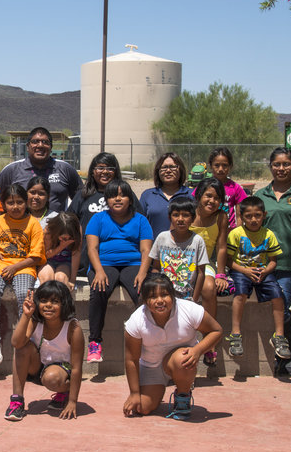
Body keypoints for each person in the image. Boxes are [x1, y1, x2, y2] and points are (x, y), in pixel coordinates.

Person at [122, 274, 223, 420]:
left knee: (183, 359)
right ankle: (156, 390)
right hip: (151, 367)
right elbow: (131, 359)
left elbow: (217, 330)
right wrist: (134, 393)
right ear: (144, 301)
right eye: (153, 297)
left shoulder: (189, 310)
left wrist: (198, 350)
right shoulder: (136, 321)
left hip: (180, 362)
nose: (160, 301)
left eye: (164, 295)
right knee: (141, 408)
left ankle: (183, 397)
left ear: (173, 296)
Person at [257, 147, 291, 375]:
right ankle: (288, 355)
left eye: (286, 164)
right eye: (277, 164)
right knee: (274, 308)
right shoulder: (261, 195)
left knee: (280, 306)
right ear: (271, 166)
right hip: (266, 265)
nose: (281, 168)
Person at [85, 179, 154, 363]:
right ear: (106, 200)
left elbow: (146, 250)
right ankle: (94, 342)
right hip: (105, 264)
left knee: (143, 292)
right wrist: (99, 271)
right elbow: (92, 249)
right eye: (112, 195)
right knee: (98, 290)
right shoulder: (98, 218)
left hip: (133, 264)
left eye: (122, 195)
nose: (117, 198)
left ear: (130, 199)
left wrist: (142, 273)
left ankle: (148, 340)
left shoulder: (140, 220)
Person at [0, 183, 46, 367]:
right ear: (4, 204)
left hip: (24, 266)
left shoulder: (33, 223)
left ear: (26, 203)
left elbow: (36, 256)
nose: (15, 207)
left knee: (23, 295)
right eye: (11, 203)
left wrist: (15, 267)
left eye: (19, 202)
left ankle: (24, 339)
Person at [4, 283, 85, 421]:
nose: (48, 305)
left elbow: (77, 368)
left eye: (55, 302)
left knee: (51, 377)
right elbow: (16, 343)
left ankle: (63, 392)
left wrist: (72, 401)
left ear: (64, 304)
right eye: (43, 301)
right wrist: (26, 315)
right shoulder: (36, 321)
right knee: (22, 347)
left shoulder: (73, 328)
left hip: (62, 372)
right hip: (39, 367)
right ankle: (17, 401)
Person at [225, 196, 288, 360]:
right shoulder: (236, 234)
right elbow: (228, 260)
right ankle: (235, 334)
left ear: (264, 215)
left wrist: (265, 272)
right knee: (240, 294)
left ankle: (279, 336)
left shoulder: (268, 234)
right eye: (248, 216)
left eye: (257, 215)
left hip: (263, 272)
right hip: (241, 270)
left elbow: (274, 261)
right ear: (241, 216)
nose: (253, 220)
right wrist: (245, 271)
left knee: (278, 295)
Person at [68, 152, 143, 272]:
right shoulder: (83, 195)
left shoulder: (127, 195)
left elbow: (140, 223)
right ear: (93, 171)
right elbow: (69, 223)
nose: (105, 171)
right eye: (100, 168)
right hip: (86, 261)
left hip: (119, 260)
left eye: (110, 168)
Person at [190, 177, 231, 364]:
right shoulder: (188, 212)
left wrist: (221, 274)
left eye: (217, 198)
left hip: (205, 262)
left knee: (208, 288)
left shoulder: (221, 217)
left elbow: (222, 247)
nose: (212, 201)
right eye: (208, 196)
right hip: (181, 261)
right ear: (199, 195)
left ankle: (209, 342)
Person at [0, 127, 81, 213]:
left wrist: (69, 220)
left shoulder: (65, 169)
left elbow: (81, 200)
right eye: (35, 141)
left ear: (51, 147)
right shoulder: (12, 170)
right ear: (28, 146)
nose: (40, 145)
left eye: (45, 142)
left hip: (56, 226)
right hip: (21, 226)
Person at [149, 196, 209, 302]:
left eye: (185, 215)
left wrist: (194, 300)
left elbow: (201, 273)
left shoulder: (197, 241)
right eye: (176, 215)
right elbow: (156, 268)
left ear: (193, 218)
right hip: (164, 297)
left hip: (187, 298)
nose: (180, 219)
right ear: (169, 217)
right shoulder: (162, 237)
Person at [139, 152, 195, 237]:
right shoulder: (147, 195)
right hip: (153, 248)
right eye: (164, 167)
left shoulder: (192, 194)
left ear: (180, 169)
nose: (168, 171)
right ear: (158, 171)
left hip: (185, 249)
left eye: (172, 167)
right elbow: (139, 224)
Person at [37, 212, 81, 290]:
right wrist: (62, 246)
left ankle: (63, 302)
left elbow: (76, 254)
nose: (67, 240)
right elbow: (45, 255)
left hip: (65, 262)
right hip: (48, 261)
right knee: (47, 280)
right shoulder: (48, 231)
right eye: (64, 238)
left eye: (69, 238)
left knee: (61, 279)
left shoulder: (77, 230)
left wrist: (72, 280)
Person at [208, 147, 248, 230]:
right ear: (211, 165)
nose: (221, 169)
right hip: (209, 232)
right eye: (217, 165)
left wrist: (237, 234)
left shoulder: (236, 188)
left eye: (225, 165)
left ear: (230, 166)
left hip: (229, 233)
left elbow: (239, 216)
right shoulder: (205, 186)